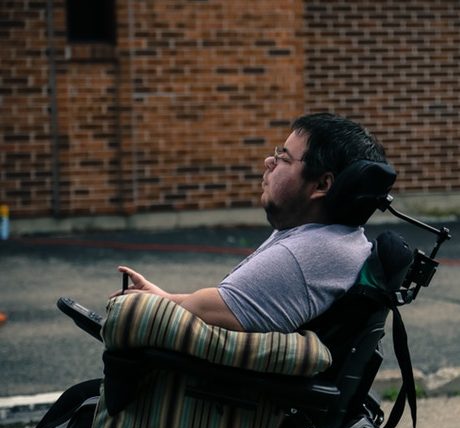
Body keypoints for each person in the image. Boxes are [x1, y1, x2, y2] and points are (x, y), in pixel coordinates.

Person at [114, 112, 388, 333]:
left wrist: (146, 306)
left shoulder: (303, 255)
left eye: (283, 158)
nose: (269, 161)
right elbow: (226, 304)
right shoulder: (331, 237)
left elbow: (206, 312)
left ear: (322, 184)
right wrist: (162, 297)